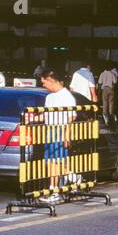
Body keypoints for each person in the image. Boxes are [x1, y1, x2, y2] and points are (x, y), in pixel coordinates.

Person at [39, 68, 79, 197]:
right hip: (49, 131)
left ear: (51, 80)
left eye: (44, 83)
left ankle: (54, 190)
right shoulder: (49, 97)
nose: (43, 85)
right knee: (50, 161)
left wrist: (67, 136)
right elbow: (45, 116)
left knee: (55, 162)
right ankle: (72, 177)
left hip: (60, 131)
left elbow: (71, 118)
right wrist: (31, 118)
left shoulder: (67, 96)